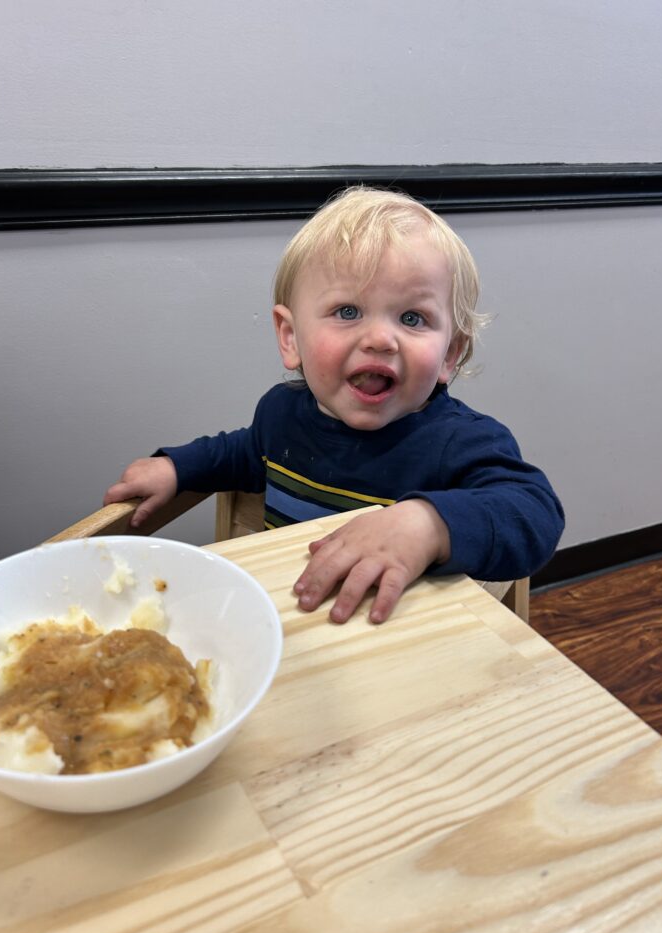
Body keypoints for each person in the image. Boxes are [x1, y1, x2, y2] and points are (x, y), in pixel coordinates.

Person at [104, 186, 564, 624]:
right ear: (290, 338)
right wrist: (179, 468)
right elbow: (243, 453)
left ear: (449, 355)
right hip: (290, 624)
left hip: (399, 648)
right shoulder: (281, 415)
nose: (381, 338)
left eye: (412, 318)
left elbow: (534, 514)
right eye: (348, 311)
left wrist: (427, 526)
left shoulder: (461, 443)